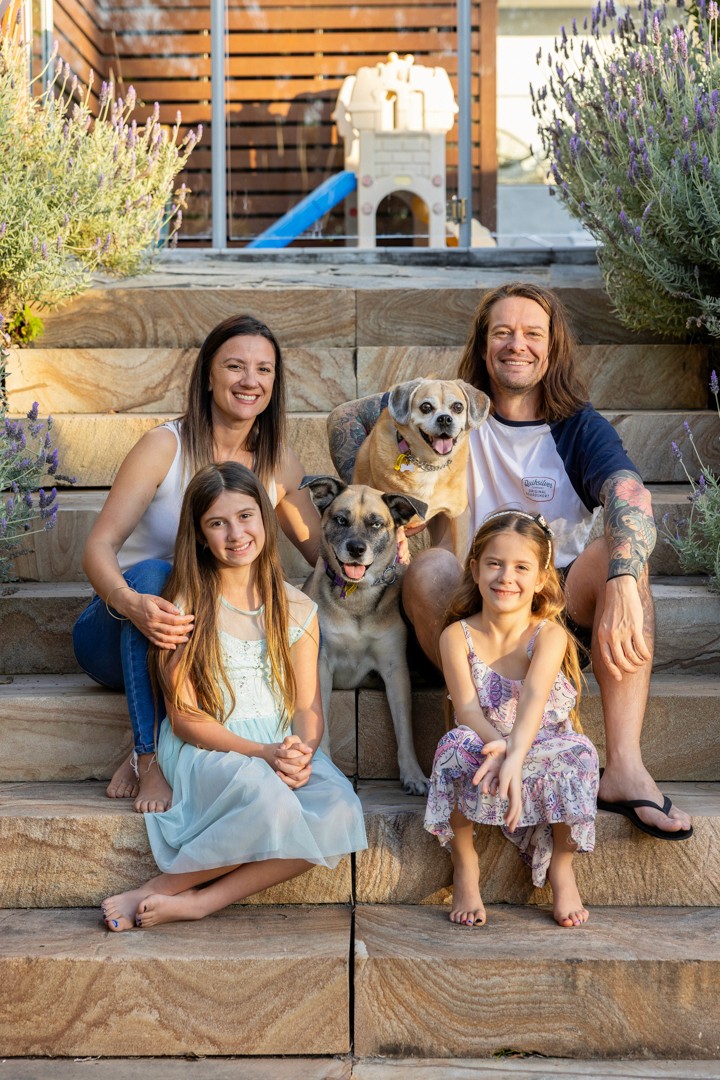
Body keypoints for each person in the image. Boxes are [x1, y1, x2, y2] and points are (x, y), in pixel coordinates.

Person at [328, 282, 692, 841]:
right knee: (428, 569)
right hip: (468, 613)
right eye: (502, 332)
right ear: (482, 343)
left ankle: (623, 766)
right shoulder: (451, 412)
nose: (516, 345)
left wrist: (622, 579)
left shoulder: (576, 428)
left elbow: (628, 491)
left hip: (555, 612)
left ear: (553, 348)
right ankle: (479, 725)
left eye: (531, 334)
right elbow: (347, 420)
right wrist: (391, 477)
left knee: (625, 559)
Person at [101, 462, 367, 931]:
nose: (236, 533)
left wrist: (300, 751)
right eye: (217, 523)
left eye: (246, 516)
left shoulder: (298, 608)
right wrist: (261, 754)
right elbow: (184, 717)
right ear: (200, 536)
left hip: (275, 741)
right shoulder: (183, 603)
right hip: (208, 745)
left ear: (266, 519)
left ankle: (202, 902)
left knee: (341, 809)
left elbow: (306, 707)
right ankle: (160, 889)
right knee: (268, 801)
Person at [74, 314, 321, 813]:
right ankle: (149, 757)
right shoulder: (165, 446)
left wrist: (389, 532)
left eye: (264, 370)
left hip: (202, 651)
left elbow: (324, 556)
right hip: (121, 628)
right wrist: (131, 602)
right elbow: (97, 547)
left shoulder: (278, 462)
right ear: (208, 374)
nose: (250, 380)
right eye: (234, 366)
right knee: (156, 577)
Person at [424, 511, 598, 928]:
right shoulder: (456, 636)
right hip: (486, 745)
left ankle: (561, 863)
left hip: (538, 743)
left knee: (581, 753)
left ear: (540, 578)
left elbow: (534, 701)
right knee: (452, 747)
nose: (506, 577)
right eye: (494, 564)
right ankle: (466, 859)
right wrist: (499, 748)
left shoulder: (548, 634)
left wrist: (516, 756)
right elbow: (466, 710)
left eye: (521, 567)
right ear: (475, 569)